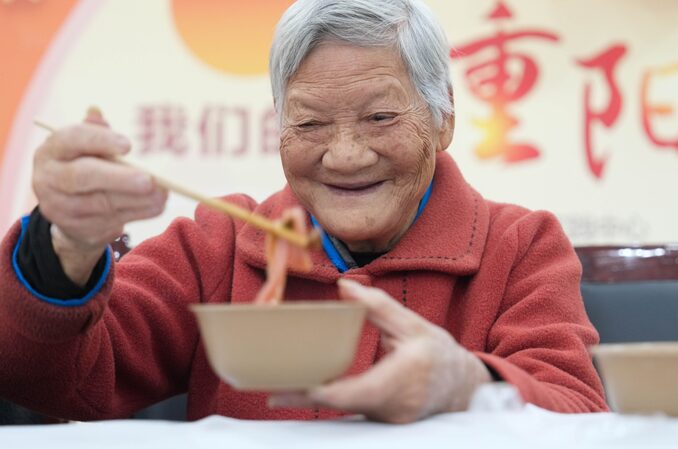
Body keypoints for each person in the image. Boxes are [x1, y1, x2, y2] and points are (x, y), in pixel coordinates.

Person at [0, 0, 607, 424]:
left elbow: (579, 416)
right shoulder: (219, 246)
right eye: (311, 124)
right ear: (279, 127)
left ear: (443, 117)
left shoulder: (521, 246)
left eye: (380, 118)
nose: (343, 156)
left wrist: (470, 387)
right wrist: (64, 250)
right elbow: (58, 380)